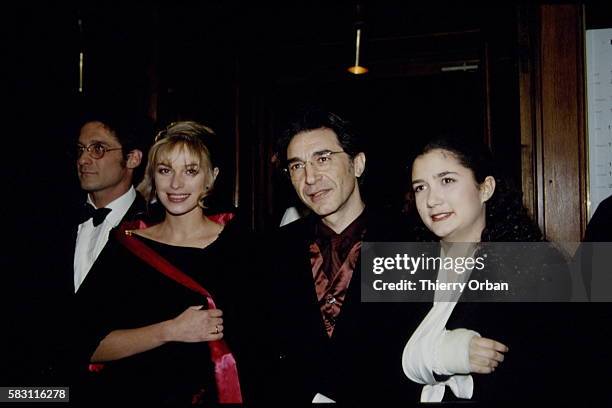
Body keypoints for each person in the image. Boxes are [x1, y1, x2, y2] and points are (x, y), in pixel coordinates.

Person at [74, 121, 247, 405]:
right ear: (153, 175)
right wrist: (170, 330)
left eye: (190, 171)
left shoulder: (243, 248)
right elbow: (84, 345)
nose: (176, 184)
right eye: (165, 170)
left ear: (211, 177)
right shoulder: (128, 246)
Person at [261, 108, 417, 404]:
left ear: (357, 164)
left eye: (322, 159)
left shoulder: (408, 241)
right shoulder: (272, 251)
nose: (309, 178)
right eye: (296, 166)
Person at [401, 134, 572, 402]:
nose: (431, 200)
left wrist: (433, 359)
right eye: (420, 187)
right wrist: (440, 356)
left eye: (447, 181)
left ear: (485, 188)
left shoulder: (537, 267)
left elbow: (545, 376)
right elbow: (375, 364)